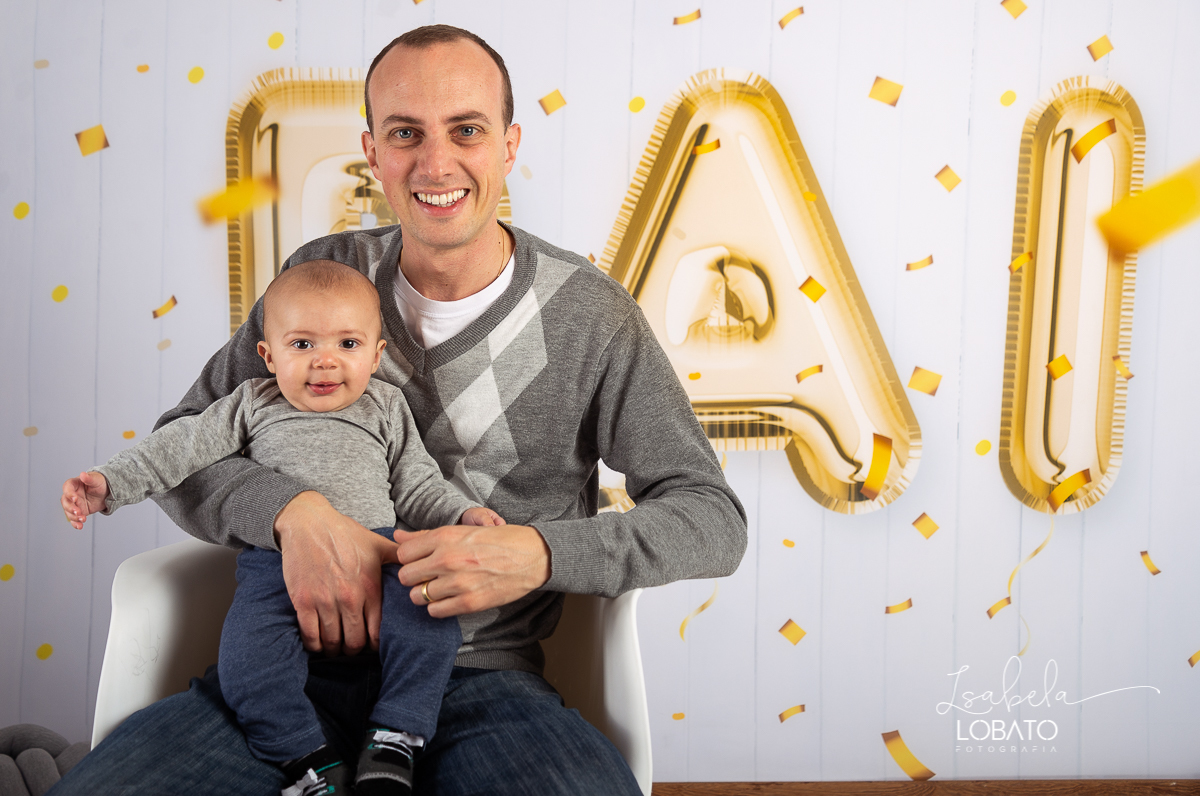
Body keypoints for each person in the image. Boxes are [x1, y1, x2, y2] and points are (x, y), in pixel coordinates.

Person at [52, 24, 747, 796]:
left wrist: (538, 553)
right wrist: (291, 514)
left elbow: (711, 520)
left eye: (467, 130)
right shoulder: (320, 277)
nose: (436, 163)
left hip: (480, 682)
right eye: (406, 133)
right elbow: (182, 447)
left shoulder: (592, 316)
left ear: (510, 145)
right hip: (283, 672)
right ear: (373, 151)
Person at [61, 260, 503, 796]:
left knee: (433, 621)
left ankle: (395, 736)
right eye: (302, 344)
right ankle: (306, 758)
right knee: (247, 664)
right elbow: (176, 449)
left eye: (347, 344)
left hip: (382, 556)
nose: (325, 361)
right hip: (275, 567)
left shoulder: (386, 405)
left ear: (376, 355)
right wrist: (109, 483)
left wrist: (463, 516)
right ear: (268, 356)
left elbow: (418, 485)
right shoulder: (251, 403)